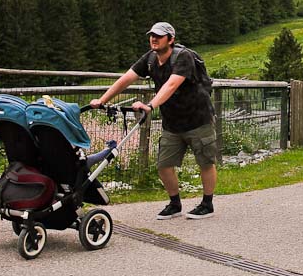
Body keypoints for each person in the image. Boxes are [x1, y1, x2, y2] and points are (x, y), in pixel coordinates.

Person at [90, 22, 217, 219]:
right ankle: (175, 204)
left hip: (198, 118)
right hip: (172, 122)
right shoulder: (150, 58)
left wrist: (150, 105)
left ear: (171, 39)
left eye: (159, 35)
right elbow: (126, 79)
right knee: (164, 165)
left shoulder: (183, 57)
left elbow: (171, 85)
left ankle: (207, 204)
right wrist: (102, 100)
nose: (154, 39)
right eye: (152, 35)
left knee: (205, 162)